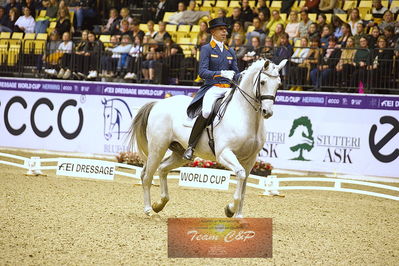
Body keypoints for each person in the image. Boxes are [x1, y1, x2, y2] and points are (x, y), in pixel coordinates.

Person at [183, 17, 240, 160]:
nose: (225, 32)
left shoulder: (230, 51)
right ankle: (191, 146)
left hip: (228, 88)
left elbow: (236, 73)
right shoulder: (207, 49)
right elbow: (202, 72)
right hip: (212, 87)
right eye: (221, 29)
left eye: (225, 30)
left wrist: (243, 75)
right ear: (213, 32)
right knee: (207, 111)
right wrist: (220, 73)